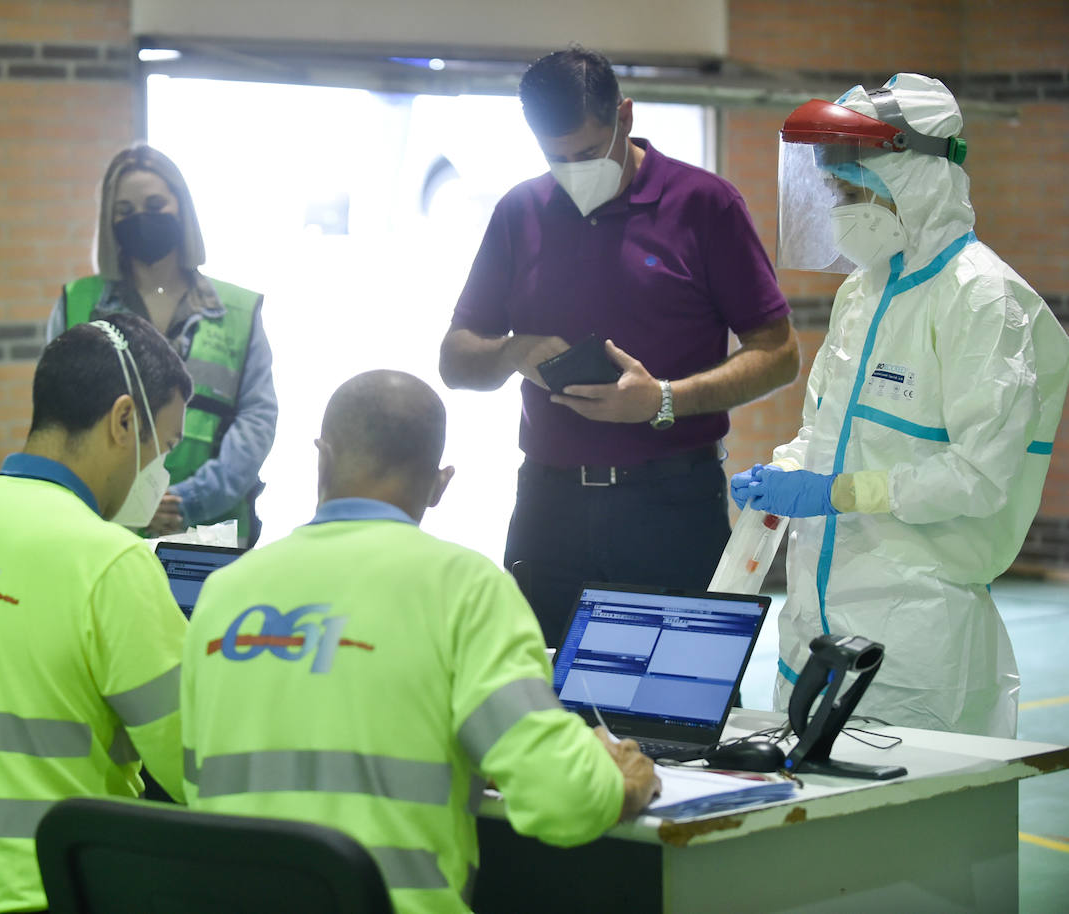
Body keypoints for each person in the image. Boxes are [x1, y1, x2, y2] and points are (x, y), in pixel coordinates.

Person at [181, 369, 660, 914]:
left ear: (321, 457)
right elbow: (563, 798)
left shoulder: (223, 593)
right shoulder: (466, 588)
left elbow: (192, 779)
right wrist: (623, 782)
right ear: (440, 483)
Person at [734, 73, 1069, 738]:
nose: (839, 205)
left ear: (912, 178)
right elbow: (824, 429)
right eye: (834, 188)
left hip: (915, 647)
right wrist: (785, 475)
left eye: (854, 188)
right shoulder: (861, 294)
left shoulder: (983, 302)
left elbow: (978, 478)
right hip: (812, 624)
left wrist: (837, 491)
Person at [438, 48, 798, 644]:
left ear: (625, 117)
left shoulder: (705, 205)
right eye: (555, 157)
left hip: (672, 503)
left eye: (586, 153)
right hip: (549, 506)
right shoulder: (519, 212)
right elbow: (454, 360)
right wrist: (510, 353)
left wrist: (663, 399)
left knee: (679, 709)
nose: (572, 170)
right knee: (538, 703)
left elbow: (779, 352)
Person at [0, 313, 192, 913]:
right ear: (124, 420)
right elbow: (199, 769)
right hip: (58, 892)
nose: (161, 475)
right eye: (167, 447)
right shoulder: (110, 562)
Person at [46, 144, 276, 546]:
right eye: (125, 211)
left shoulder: (240, 310)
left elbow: (257, 417)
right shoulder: (76, 303)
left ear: (181, 209)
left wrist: (186, 501)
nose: (141, 219)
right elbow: (56, 421)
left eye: (155, 204)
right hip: (104, 529)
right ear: (109, 221)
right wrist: (131, 503)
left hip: (212, 532)